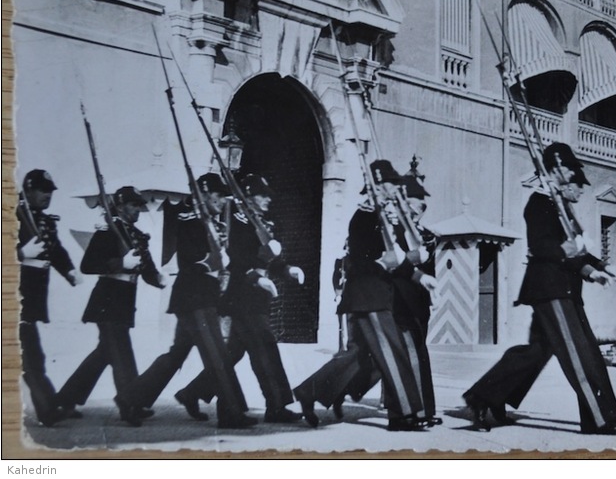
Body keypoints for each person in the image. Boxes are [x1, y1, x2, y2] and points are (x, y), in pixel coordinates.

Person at [462, 142, 616, 435]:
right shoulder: (539, 203)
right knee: (579, 354)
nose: (576, 180)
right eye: (570, 170)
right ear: (556, 170)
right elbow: (541, 247)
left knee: (538, 352)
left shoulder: (559, 205)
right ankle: (599, 417)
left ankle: (484, 397)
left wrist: (600, 268)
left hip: (564, 290)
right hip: (550, 290)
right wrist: (573, 252)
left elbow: (576, 251)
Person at [293, 160, 426, 431]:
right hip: (368, 296)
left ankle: (312, 391)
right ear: (377, 185)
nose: (395, 189)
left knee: (360, 357)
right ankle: (403, 415)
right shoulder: (364, 217)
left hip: (377, 295)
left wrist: (418, 275)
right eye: (390, 183)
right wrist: (386, 262)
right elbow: (363, 261)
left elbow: (396, 257)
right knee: (392, 353)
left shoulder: (382, 217)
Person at [115, 174, 256, 429]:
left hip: (203, 297)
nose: (223, 201)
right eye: (218, 195)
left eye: (224, 196)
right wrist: (216, 260)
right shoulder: (190, 219)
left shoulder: (215, 223)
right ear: (204, 194)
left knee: (176, 355)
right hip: (194, 297)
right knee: (217, 354)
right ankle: (231, 413)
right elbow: (190, 258)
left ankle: (131, 397)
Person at [175, 174, 305, 424]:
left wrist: (287, 269)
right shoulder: (234, 220)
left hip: (257, 295)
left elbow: (269, 258)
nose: (268, 200)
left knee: (233, 352)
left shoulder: (263, 223)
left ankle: (192, 392)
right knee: (264, 345)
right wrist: (255, 277)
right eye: (262, 195)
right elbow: (232, 257)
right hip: (240, 293)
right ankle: (275, 406)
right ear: (247, 195)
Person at [56, 186, 166, 424]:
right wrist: (120, 262)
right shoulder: (107, 232)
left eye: (139, 205)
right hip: (107, 299)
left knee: (104, 354)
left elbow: (147, 269)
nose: (138, 209)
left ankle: (65, 398)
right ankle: (131, 403)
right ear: (119, 206)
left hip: (125, 300)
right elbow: (88, 265)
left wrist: (160, 279)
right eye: (133, 205)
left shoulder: (136, 235)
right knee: (122, 352)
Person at [16, 169, 81, 427]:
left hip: (31, 297)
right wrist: (20, 253)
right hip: (12, 295)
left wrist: (70, 271)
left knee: (32, 354)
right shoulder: (10, 214)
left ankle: (50, 405)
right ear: (28, 189)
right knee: (31, 355)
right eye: (43, 190)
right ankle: (47, 409)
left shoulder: (44, 220)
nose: (47, 196)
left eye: (50, 191)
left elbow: (55, 251)